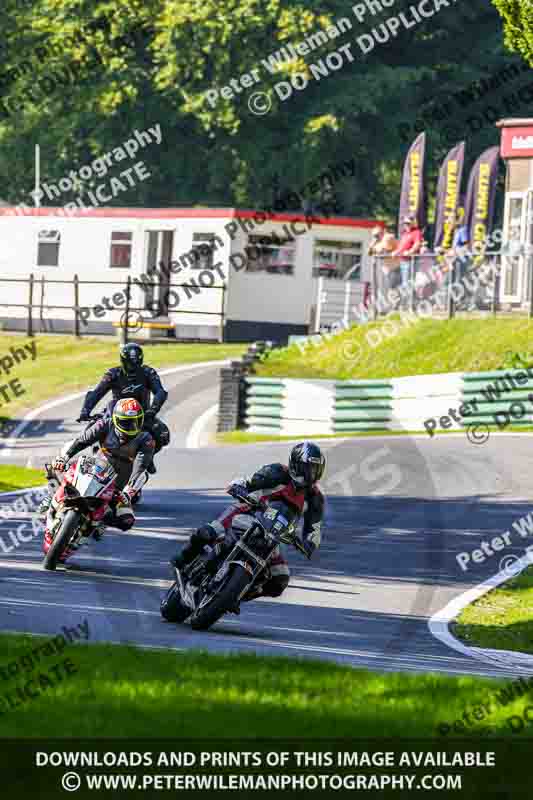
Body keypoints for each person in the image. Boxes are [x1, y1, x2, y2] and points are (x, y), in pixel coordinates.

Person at [171, 442, 326, 601]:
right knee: (208, 533)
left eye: (314, 470)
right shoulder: (278, 472)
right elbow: (250, 481)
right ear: (295, 464)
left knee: (280, 579)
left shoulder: (315, 498)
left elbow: (315, 529)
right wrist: (239, 487)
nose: (310, 475)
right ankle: (182, 560)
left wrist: (308, 544)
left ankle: (238, 594)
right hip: (248, 512)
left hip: (273, 536)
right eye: (307, 469)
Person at [41, 398, 155, 535]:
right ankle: (53, 499)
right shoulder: (105, 424)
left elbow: (141, 467)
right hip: (94, 472)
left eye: (135, 422)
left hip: (116, 488)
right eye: (126, 422)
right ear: (116, 419)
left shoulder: (146, 439)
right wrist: (64, 458)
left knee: (127, 520)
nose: (131, 426)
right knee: (57, 468)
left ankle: (98, 524)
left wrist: (128, 491)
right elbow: (82, 441)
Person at [78, 343, 170, 473]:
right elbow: (97, 392)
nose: (133, 368)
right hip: (116, 413)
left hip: (142, 415)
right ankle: (97, 454)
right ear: (123, 361)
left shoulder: (148, 372)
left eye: (136, 364)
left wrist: (153, 410)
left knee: (162, 434)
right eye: (130, 364)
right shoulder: (113, 374)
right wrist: (85, 411)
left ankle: (148, 458)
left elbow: (160, 392)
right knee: (93, 427)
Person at [392, 215, 423, 302]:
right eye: (405, 223)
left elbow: (417, 244)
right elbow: (401, 247)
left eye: (408, 223)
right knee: (403, 283)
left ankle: (412, 303)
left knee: (408, 283)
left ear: (413, 223)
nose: (406, 225)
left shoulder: (416, 232)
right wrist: (396, 252)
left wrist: (410, 252)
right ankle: (410, 302)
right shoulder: (405, 234)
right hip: (403, 261)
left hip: (411, 261)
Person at [368, 225, 400, 296]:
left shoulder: (387, 237)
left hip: (395, 267)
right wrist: (372, 245)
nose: (375, 237)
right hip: (387, 269)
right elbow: (369, 253)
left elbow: (383, 252)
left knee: (393, 289)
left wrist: (375, 250)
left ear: (382, 233)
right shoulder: (377, 242)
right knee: (387, 290)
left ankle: (396, 304)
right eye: (374, 236)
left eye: (377, 235)